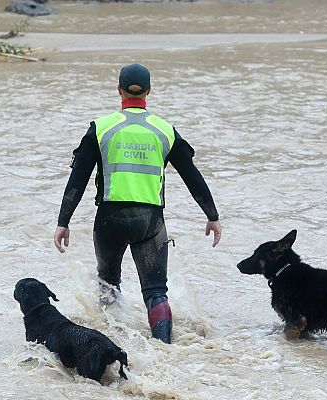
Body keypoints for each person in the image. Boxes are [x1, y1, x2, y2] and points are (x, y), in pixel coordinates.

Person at [53, 63, 222, 344]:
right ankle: (164, 352)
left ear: (118, 90)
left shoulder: (101, 128)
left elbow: (77, 179)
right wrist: (212, 216)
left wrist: (63, 222)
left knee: (108, 284)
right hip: (150, 222)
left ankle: (116, 344)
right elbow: (192, 176)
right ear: (149, 91)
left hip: (109, 219)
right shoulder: (165, 131)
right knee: (156, 292)